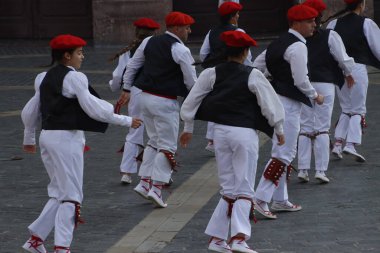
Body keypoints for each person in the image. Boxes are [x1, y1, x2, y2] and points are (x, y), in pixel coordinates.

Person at [21, 34, 142, 253]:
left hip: (48, 137)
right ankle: (62, 247)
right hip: (66, 139)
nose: (82, 56)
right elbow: (92, 108)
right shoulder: (75, 78)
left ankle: (36, 240)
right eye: (79, 53)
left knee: (59, 191)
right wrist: (125, 120)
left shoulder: (42, 77)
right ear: (67, 56)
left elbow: (30, 110)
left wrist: (29, 137)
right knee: (71, 195)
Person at [180, 30, 285, 253]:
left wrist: (188, 127)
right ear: (246, 52)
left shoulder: (211, 73)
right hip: (243, 133)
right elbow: (271, 105)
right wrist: (279, 128)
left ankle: (217, 239)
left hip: (220, 133)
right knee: (244, 186)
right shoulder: (253, 75)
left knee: (228, 187)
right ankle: (238, 238)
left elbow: (191, 102)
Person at [118, 11, 197, 208]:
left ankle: (144, 182)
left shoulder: (148, 42)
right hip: (165, 101)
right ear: (177, 29)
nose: (189, 31)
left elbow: (132, 66)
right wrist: (195, 102)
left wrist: (127, 88)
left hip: (144, 98)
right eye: (187, 27)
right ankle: (157, 188)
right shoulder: (180, 49)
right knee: (167, 145)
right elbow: (191, 82)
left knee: (153, 140)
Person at [252, 4, 324, 219]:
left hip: (277, 99)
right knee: (284, 153)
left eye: (315, 20)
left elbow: (257, 65)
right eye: (310, 21)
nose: (314, 25)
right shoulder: (298, 47)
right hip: (289, 103)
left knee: (282, 149)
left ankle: (280, 199)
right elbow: (301, 80)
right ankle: (261, 198)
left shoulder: (278, 42)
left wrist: (270, 81)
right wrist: (315, 95)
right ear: (296, 24)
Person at [296, 0, 355, 183]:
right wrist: (348, 73)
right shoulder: (330, 35)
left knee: (305, 127)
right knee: (322, 127)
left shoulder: (297, 38)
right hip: (325, 83)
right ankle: (320, 170)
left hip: (304, 83)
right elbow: (343, 59)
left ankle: (303, 169)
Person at [327, 0, 380, 162]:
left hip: (339, 70)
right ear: (362, 4)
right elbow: (378, 48)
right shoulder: (367, 23)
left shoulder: (334, 23)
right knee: (357, 109)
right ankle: (351, 144)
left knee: (346, 108)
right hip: (356, 68)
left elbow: (327, 47)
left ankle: (337, 144)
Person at [108, 17, 160, 184]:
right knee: (159, 132)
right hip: (158, 93)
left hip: (136, 92)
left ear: (136, 32)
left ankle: (127, 172)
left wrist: (119, 88)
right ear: (155, 33)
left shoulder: (128, 51)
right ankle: (160, 172)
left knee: (134, 129)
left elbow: (118, 75)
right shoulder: (160, 48)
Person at [200, 1, 252, 153]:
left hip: (216, 71)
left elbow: (203, 54)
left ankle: (212, 139)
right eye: (236, 14)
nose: (238, 16)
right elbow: (247, 55)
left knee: (215, 100)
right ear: (232, 17)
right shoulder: (239, 31)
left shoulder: (211, 32)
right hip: (236, 72)